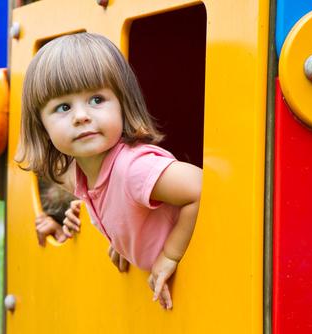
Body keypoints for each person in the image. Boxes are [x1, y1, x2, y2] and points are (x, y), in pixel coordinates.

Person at [16, 32, 202, 310]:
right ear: (41, 126)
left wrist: (170, 254)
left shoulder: (133, 168)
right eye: (63, 107)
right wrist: (123, 239)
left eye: (96, 100)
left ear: (123, 105)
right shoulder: (82, 174)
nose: (81, 116)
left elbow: (201, 189)